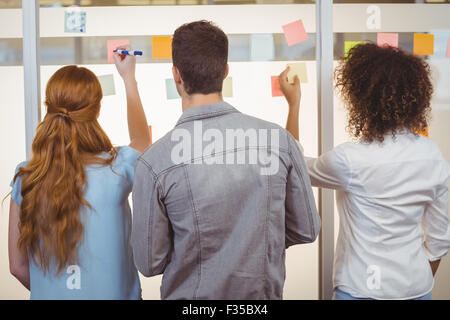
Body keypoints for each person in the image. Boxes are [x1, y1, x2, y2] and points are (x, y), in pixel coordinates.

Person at [131, 20, 321, 300]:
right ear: (226, 72)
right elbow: (306, 230)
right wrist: (259, 239)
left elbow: (149, 263)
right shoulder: (279, 141)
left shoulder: (154, 162)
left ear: (177, 76)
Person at [280, 43, 450, 300]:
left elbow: (293, 163)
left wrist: (294, 104)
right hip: (417, 289)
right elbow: (440, 240)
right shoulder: (431, 156)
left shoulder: (350, 160)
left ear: (360, 98)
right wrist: (410, 281)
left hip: (360, 290)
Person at [8, 46, 150, 299]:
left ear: (49, 106)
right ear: (96, 110)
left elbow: (18, 267)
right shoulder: (118, 170)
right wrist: (128, 77)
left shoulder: (27, 176)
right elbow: (141, 139)